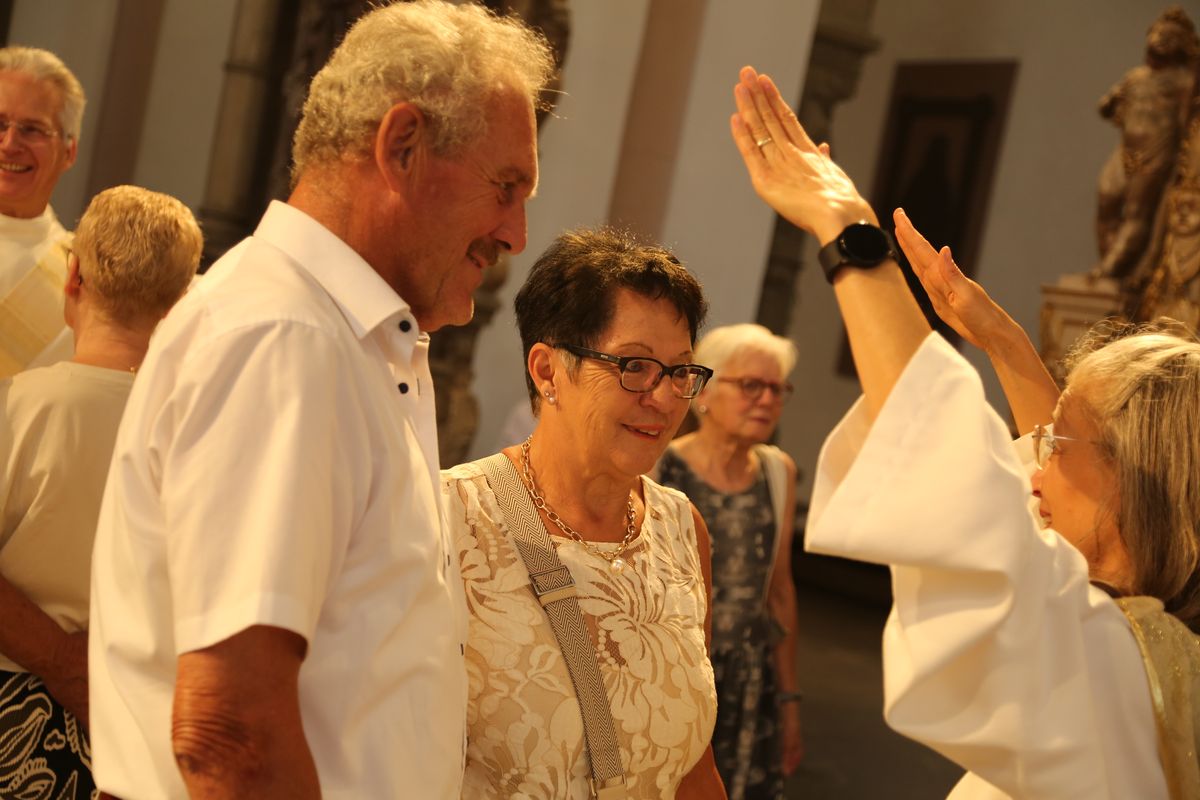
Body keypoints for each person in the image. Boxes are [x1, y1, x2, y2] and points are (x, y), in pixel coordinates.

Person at [87, 3, 554, 798]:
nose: (514, 233)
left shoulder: (350, 340)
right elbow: (228, 729)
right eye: (504, 188)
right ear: (401, 145)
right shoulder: (285, 336)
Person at [731, 65, 1200, 799]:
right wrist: (1009, 347)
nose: (1030, 465)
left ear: (1142, 481)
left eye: (1055, 441)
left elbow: (965, 497)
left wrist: (849, 233)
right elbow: (1026, 489)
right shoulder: (1149, 646)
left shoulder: (1125, 674)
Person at [442, 227, 727, 798]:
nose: (666, 398)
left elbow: (693, 765)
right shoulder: (454, 518)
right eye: (635, 366)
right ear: (548, 371)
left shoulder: (679, 529)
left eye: (680, 371)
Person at [0, 185, 201, 800]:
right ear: (182, 303)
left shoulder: (15, 408)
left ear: (74, 276)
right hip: (134, 728)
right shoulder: (196, 433)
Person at [654, 322, 804, 799]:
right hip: (672, 680)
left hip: (746, 684)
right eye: (751, 386)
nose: (767, 400)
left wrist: (789, 701)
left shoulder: (777, 472)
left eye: (777, 389)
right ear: (705, 395)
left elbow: (778, 593)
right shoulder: (662, 469)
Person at [0, 46, 84, 377]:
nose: (9, 143)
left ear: (69, 152)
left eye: (32, 129)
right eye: (0, 123)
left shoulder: (77, 278)